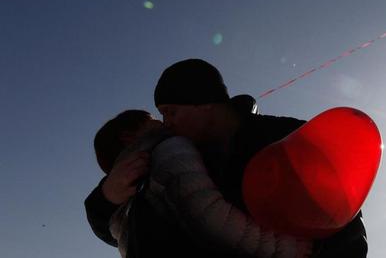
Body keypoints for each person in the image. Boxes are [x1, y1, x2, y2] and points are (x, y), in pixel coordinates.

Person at [153, 59, 368, 257]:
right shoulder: (188, 164)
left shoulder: (288, 135)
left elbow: (342, 218)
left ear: (202, 101)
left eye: (170, 112)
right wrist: (116, 199)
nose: (166, 123)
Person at [86, 98, 311, 257]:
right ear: (128, 136)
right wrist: (288, 248)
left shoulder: (125, 204)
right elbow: (212, 216)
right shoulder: (167, 149)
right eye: (155, 118)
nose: (164, 122)